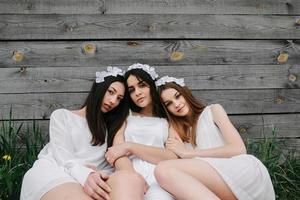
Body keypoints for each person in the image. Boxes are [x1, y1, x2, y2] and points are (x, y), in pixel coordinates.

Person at [20, 67, 146, 200]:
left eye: (119, 98)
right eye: (110, 92)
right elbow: (63, 157)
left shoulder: (110, 128)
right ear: (99, 88)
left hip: (95, 179)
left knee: (128, 182)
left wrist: (99, 173)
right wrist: (87, 173)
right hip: (56, 171)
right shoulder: (62, 116)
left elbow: (111, 164)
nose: (113, 101)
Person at [154, 76, 275, 200]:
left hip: (239, 171)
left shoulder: (213, 111)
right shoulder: (178, 131)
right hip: (214, 183)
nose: (177, 104)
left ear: (185, 93)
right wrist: (171, 125)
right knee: (166, 175)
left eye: (178, 96)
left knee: (163, 169)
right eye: (169, 104)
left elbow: (239, 149)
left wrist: (189, 154)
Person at [105, 64, 177, 200]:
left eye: (142, 85)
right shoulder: (126, 117)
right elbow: (116, 153)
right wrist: (132, 177)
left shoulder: (167, 120)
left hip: (160, 176)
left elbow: (172, 156)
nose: (137, 93)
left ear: (151, 86)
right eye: (131, 90)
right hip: (129, 172)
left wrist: (130, 147)